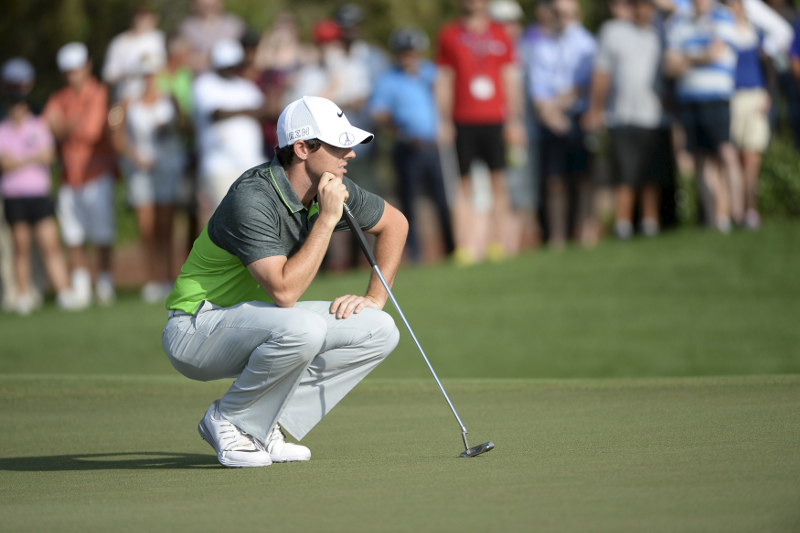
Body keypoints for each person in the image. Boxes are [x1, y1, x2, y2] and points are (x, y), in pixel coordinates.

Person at [161, 96, 407, 468]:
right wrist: (326, 220)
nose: (351, 154)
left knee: (379, 329)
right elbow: (284, 291)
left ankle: (261, 424)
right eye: (340, 144)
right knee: (302, 326)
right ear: (303, 148)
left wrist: (375, 298)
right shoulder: (253, 197)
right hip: (195, 328)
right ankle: (229, 419)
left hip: (255, 323)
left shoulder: (330, 183)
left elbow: (395, 224)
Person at [435, 0, 522, 265]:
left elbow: (509, 76)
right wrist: (444, 120)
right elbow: (444, 79)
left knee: (499, 183)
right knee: (463, 185)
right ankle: (467, 247)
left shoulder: (499, 34)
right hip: (463, 120)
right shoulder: (449, 34)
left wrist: (514, 120)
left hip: (495, 119)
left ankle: (498, 243)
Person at [585, 0, 670, 239]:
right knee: (625, 174)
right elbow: (602, 73)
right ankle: (622, 225)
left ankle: (650, 223)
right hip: (622, 117)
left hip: (655, 117)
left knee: (651, 174)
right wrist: (596, 109)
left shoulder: (661, 32)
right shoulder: (613, 31)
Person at [371, 26, 455, 262]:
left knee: (443, 199)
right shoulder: (388, 79)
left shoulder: (431, 73)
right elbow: (378, 114)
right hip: (408, 147)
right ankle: (415, 254)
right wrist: (403, 133)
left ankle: (452, 249)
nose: (409, 56)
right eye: (404, 52)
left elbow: (445, 98)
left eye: (412, 51)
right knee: (410, 201)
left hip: (436, 146)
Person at [43, 42, 117, 306]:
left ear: (87, 67)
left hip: (97, 174)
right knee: (73, 235)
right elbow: (46, 128)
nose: (72, 75)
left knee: (102, 233)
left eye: (75, 69)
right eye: (67, 70)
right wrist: (66, 126)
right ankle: (81, 284)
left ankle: (105, 281)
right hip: (68, 176)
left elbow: (90, 130)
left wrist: (62, 126)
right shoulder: (59, 97)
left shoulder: (99, 92)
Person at [110, 56, 185, 302]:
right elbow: (117, 138)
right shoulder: (128, 103)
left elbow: (185, 125)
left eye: (152, 73)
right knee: (147, 227)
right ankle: (152, 279)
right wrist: (134, 156)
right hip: (141, 169)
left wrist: (170, 127)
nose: (149, 78)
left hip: (168, 165)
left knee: (166, 225)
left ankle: (168, 277)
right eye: (145, 74)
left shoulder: (169, 100)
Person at [664, 0, 744, 232]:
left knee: (726, 153)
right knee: (701, 158)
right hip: (689, 98)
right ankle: (714, 219)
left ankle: (738, 215)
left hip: (717, 96)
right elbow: (669, 65)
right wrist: (699, 57)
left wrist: (686, 59)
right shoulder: (679, 21)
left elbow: (716, 53)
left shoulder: (723, 16)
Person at [0, 91, 81, 314]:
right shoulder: (3, 130)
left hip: (38, 194)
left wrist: (20, 159)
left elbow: (48, 155)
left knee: (51, 245)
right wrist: (32, 157)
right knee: (21, 247)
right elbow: (5, 163)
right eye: (14, 105)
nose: (18, 110)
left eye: (22, 105)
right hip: (14, 196)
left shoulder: (38, 126)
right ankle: (23, 295)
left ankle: (64, 292)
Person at [528, 0, 597, 248]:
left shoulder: (586, 43)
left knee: (583, 178)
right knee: (554, 180)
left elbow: (583, 83)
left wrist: (553, 108)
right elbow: (537, 85)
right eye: (558, 13)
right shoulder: (542, 45)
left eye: (567, 13)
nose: (562, 17)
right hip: (549, 118)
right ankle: (557, 236)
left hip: (577, 116)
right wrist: (548, 113)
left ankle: (586, 231)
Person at [193, 39, 267, 225]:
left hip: (251, 164)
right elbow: (215, 113)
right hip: (219, 164)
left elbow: (263, 110)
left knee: (251, 219)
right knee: (224, 220)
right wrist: (246, 111)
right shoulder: (204, 83)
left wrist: (246, 111)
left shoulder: (245, 86)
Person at [724, 0, 772, 231]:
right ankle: (738, 210)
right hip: (731, 98)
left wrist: (769, 93)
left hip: (755, 96)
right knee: (736, 158)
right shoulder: (722, 31)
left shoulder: (755, 31)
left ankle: (750, 208)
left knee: (752, 156)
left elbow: (767, 65)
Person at [102, 4, 166, 101]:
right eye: (139, 15)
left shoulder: (160, 39)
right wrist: (129, 72)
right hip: (127, 97)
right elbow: (108, 75)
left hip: (156, 97)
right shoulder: (119, 42)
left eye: (146, 15)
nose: (142, 19)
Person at [178, 0, 244, 73]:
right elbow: (181, 60)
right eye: (206, 5)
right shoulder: (187, 28)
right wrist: (211, 59)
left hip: (229, 78)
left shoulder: (234, 25)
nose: (210, 6)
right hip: (198, 79)